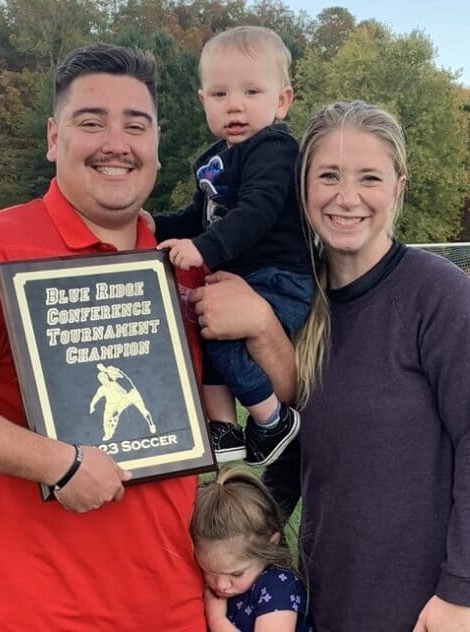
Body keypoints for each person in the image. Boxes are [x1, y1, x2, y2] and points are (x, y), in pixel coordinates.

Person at [0, 43, 295, 631]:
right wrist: (61, 463)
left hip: (177, 613)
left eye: (136, 125)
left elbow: (286, 390)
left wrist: (260, 323)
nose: (116, 143)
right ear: (54, 138)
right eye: (92, 122)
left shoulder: (184, 261)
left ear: (156, 144)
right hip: (41, 616)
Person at [201, 101, 470, 631]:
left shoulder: (439, 295)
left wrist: (459, 594)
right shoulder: (293, 302)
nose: (347, 197)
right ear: (302, 187)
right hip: (331, 600)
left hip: (428, 608)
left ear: (398, 187)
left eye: (369, 177)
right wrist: (239, 535)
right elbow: (298, 453)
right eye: (329, 176)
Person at [151, 25, 313, 467]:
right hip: (244, 278)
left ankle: (271, 419)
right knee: (205, 332)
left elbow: (257, 210)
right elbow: (199, 215)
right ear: (203, 101)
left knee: (219, 333)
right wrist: (153, 224)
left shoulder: (274, 148)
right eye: (220, 94)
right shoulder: (212, 159)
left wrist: (205, 248)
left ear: (282, 101)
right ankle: (223, 427)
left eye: (251, 91)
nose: (235, 105)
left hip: (279, 277)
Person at [191, 467, 311, 632]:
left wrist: (217, 621)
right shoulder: (221, 586)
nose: (221, 585)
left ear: (271, 544)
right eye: (209, 572)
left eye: (236, 574)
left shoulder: (279, 588)